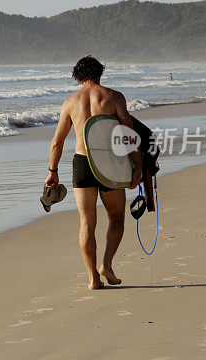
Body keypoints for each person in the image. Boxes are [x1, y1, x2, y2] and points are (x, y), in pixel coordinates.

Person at [46, 56, 142, 290]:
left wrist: (53, 172)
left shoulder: (69, 102)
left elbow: (57, 142)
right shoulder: (113, 97)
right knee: (116, 217)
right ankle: (106, 263)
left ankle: (92, 278)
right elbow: (128, 134)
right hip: (109, 161)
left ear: (78, 77)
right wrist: (137, 167)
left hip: (82, 162)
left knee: (86, 222)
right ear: (100, 74)